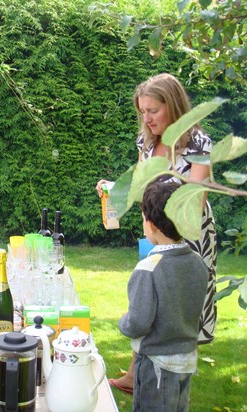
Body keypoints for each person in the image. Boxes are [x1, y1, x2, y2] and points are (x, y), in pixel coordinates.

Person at [97, 73, 217, 395]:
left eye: (153, 111)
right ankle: (138, 374)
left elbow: (196, 199)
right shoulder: (147, 143)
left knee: (177, 310)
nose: (146, 119)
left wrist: (161, 184)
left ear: (173, 107)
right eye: (142, 112)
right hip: (155, 234)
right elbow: (140, 185)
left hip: (187, 236)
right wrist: (115, 189)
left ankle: (172, 379)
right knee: (147, 301)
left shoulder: (198, 144)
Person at [119, 181, 208, 411]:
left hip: (155, 365)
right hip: (186, 359)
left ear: (151, 224)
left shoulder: (148, 268)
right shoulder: (198, 262)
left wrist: (124, 321)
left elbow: (138, 322)